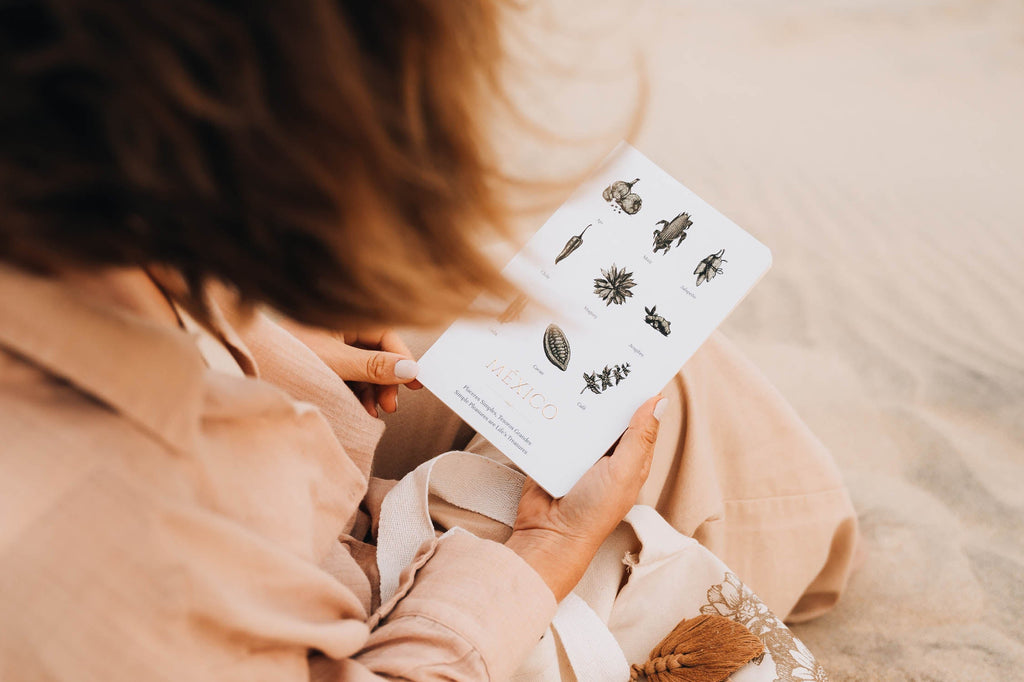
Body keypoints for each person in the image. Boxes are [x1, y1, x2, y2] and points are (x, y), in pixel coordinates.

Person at [0, 1, 857, 680]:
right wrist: (544, 553)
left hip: (219, 420)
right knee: (667, 400)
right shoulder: (119, 550)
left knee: (539, 321)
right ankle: (807, 552)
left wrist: (258, 338)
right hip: (326, 588)